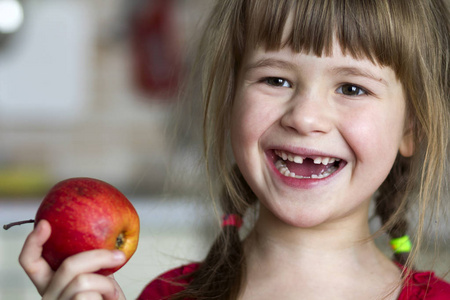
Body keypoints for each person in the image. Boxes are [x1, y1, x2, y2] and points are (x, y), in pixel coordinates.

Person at [19, 0, 450, 299]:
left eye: (352, 87)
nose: (305, 116)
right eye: (275, 80)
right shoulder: (166, 297)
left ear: (410, 128)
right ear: (231, 102)